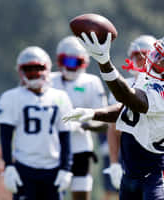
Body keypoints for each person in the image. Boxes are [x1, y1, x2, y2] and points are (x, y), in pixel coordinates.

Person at [63, 30, 164, 200]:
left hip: (155, 174)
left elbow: (130, 99)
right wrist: (93, 113)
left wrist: (105, 63)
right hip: (130, 174)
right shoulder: (150, 79)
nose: (157, 60)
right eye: (159, 54)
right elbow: (126, 110)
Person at [0, 46, 73, 200]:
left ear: (48, 69)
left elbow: (65, 135)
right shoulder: (11, 97)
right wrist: (9, 166)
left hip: (53, 167)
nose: (34, 73)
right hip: (25, 167)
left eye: (38, 68)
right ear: (20, 71)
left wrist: (66, 168)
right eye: (29, 68)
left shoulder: (60, 97)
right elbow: (5, 136)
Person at [51, 36, 108, 200]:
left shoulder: (91, 82)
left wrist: (84, 125)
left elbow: (104, 121)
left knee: (81, 194)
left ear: (84, 62)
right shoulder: (49, 80)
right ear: (60, 60)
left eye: (75, 62)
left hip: (80, 147)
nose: (71, 67)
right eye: (68, 62)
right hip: (52, 149)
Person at [103, 34, 156, 193]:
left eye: (146, 57)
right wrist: (113, 164)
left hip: (157, 156)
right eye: (138, 57)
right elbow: (114, 129)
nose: (143, 62)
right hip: (130, 157)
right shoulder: (121, 86)